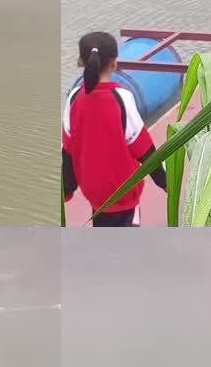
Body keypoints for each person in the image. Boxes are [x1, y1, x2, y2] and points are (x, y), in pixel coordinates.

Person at [62, 32, 167, 227]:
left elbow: (67, 151)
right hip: (124, 194)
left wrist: (67, 189)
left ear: (82, 62)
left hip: (94, 194)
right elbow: (144, 150)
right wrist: (166, 182)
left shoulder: (74, 98)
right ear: (114, 63)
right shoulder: (122, 97)